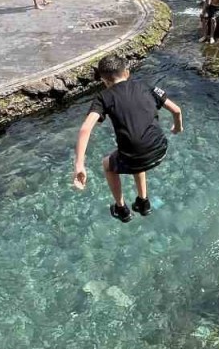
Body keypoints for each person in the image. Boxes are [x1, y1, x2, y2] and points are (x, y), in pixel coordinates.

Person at [73, 54, 184, 223]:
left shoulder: (103, 97)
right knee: (136, 148)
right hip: (161, 149)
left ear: (104, 81)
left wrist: (79, 164)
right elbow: (176, 110)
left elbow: (85, 129)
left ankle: (121, 209)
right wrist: (177, 127)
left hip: (135, 156)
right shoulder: (147, 86)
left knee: (108, 164)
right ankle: (143, 202)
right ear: (127, 72)